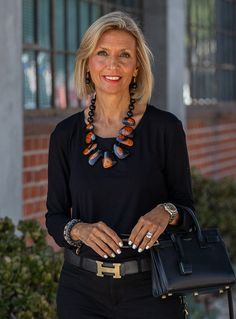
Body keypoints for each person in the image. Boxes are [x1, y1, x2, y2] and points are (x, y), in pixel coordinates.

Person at [46, 11, 194, 319]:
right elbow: (55, 218)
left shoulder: (165, 129)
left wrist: (166, 212)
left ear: (137, 67)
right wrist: (79, 230)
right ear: (88, 63)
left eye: (124, 55)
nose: (113, 65)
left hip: (152, 289)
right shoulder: (65, 135)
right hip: (81, 293)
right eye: (102, 53)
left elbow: (188, 213)